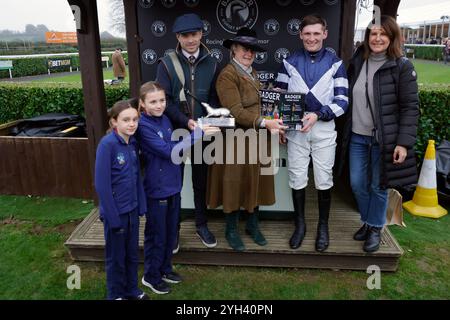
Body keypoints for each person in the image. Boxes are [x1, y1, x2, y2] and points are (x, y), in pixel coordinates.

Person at [337, 15, 419, 253]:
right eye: (373, 33)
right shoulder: (358, 61)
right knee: (357, 184)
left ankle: (374, 226)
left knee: (378, 186)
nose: (378, 38)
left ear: (392, 37)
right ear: (367, 37)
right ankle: (368, 219)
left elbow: (410, 108)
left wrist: (403, 143)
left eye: (383, 33)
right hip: (357, 136)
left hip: (384, 141)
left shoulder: (402, 66)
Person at [207, 27, 286, 251]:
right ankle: (231, 230)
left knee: (256, 182)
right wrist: (265, 122)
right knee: (234, 184)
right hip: (236, 139)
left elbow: (260, 105)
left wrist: (274, 115)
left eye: (252, 50)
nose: (248, 53)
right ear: (234, 49)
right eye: (244, 48)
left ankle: (252, 225)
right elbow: (235, 112)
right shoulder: (227, 75)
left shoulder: (254, 73)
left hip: (256, 137)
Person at [274, 14, 349, 252]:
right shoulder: (289, 61)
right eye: (307, 34)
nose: (312, 38)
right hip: (296, 128)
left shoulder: (336, 63)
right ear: (301, 35)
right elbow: (279, 95)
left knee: (324, 178)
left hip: (323, 127)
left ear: (325, 34)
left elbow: (343, 100)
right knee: (297, 176)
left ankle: (323, 227)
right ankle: (300, 225)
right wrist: (280, 123)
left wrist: (319, 114)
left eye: (317, 33)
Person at [136, 81, 219, 294]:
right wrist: (197, 134)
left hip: (173, 186)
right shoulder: (143, 126)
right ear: (143, 104)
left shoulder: (164, 119)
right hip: (157, 189)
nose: (159, 105)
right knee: (157, 235)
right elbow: (169, 151)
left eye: (162, 100)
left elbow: (177, 149)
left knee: (170, 232)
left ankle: (165, 269)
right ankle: (151, 276)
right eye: (153, 102)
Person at [156, 13, 220, 250]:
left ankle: (201, 224)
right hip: (176, 132)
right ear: (178, 37)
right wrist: (186, 121)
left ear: (201, 34)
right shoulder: (166, 63)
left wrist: (206, 120)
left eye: (194, 34)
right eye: (185, 36)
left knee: (201, 181)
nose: (190, 40)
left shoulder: (212, 63)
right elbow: (165, 101)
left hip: (202, 131)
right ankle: (174, 230)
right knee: (175, 182)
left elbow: (213, 98)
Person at [94, 100, 149, 300]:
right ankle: (115, 294)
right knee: (116, 257)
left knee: (132, 254)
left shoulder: (132, 144)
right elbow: (102, 185)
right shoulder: (107, 145)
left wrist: (141, 205)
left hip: (132, 210)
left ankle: (131, 290)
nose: (131, 124)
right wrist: (112, 216)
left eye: (135, 119)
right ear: (113, 122)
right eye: (126, 120)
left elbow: (136, 179)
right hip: (116, 214)